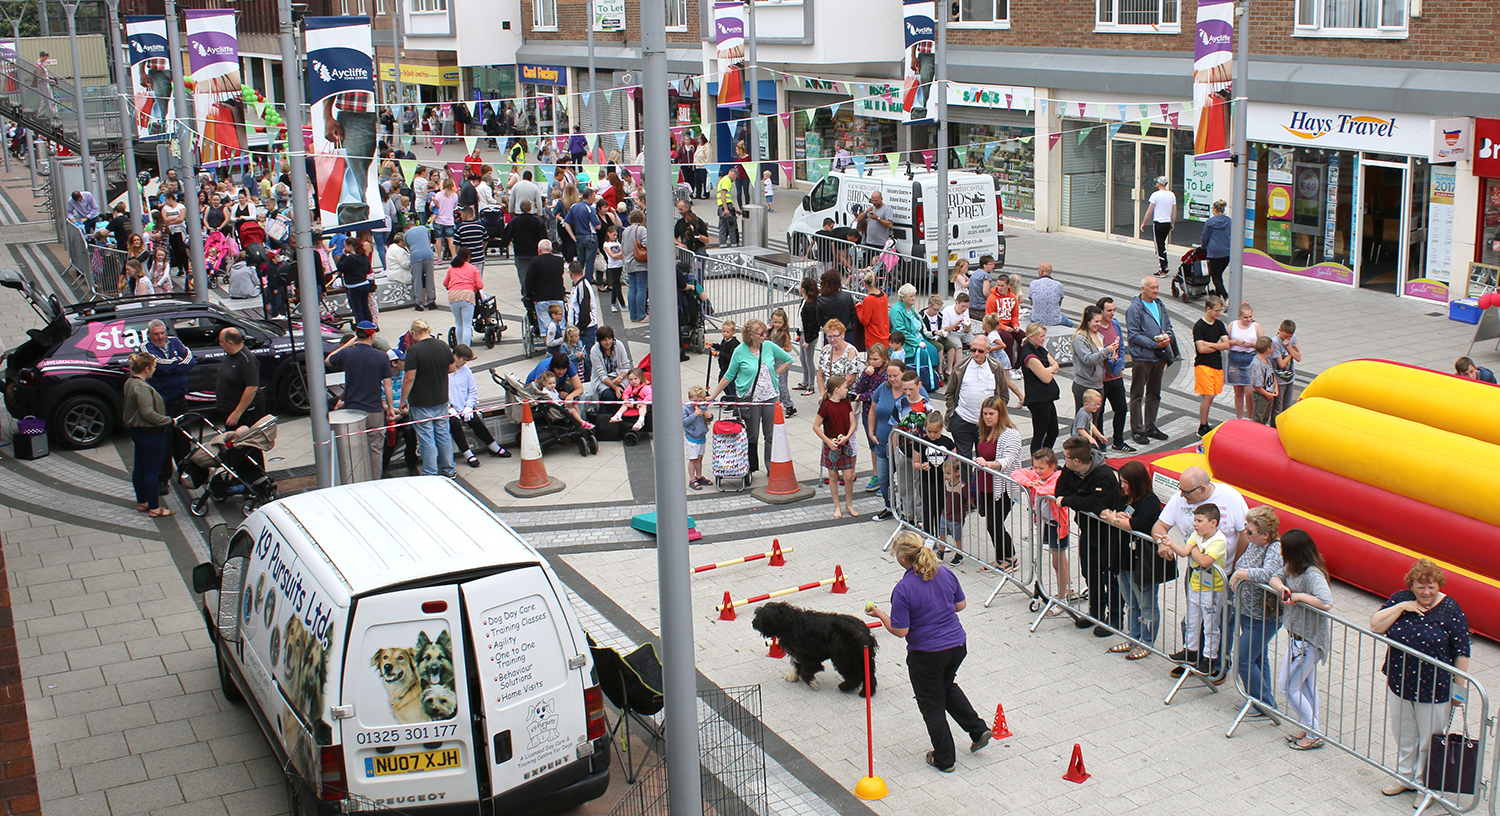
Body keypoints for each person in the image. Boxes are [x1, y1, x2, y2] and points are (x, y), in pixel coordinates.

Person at [866, 531, 991, 774]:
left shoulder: (903, 589)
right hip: (956, 646)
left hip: (926, 654)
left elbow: (901, 630)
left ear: (903, 558)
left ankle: (944, 758)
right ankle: (977, 729)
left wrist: (881, 615)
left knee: (931, 704)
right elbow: (960, 605)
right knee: (945, 686)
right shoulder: (944, 572)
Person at [1370, 558, 1472, 797]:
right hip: (1400, 681)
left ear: (1439, 586)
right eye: (1420, 586)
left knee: (1429, 739)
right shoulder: (1400, 598)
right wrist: (1401, 607)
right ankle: (1405, 776)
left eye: (1432, 587)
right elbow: (1375, 625)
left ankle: (1425, 785)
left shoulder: (1451, 609)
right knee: (1404, 733)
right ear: (1411, 585)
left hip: (1434, 687)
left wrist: (1459, 691)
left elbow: (1462, 652)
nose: (1426, 592)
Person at [1270, 530, 1333, 751]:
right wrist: (1283, 589)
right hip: (1297, 637)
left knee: (1287, 686)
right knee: (1305, 683)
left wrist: (1298, 596)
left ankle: (1313, 730)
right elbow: (1275, 577)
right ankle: (1307, 727)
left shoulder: (1312, 574)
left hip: (1309, 640)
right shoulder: (1291, 569)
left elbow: (1326, 602)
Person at [709, 319, 794, 478]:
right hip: (750, 399)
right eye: (760, 333)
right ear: (750, 335)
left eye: (765, 333)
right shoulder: (740, 351)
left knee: (770, 434)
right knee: (751, 435)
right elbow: (729, 375)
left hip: (770, 397)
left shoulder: (768, 346)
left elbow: (789, 360)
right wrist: (713, 396)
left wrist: (775, 374)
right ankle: (749, 467)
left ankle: (771, 467)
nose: (764, 336)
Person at [1100, 461, 1167, 660]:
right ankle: (1133, 637)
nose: (1122, 486)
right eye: (1121, 482)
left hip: (1142, 562)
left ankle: (1147, 642)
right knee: (1131, 602)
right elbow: (1100, 505)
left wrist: (1116, 520)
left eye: (1126, 482)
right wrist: (1114, 516)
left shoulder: (1150, 500)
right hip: (1122, 559)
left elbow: (1139, 523)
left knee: (1146, 603)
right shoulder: (1122, 496)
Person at [1057, 436, 1121, 636]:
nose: (1064, 461)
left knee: (1109, 575)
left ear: (1076, 460)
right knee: (1090, 571)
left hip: (1108, 534)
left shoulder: (1104, 475)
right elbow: (1060, 490)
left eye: (1066, 457)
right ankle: (1096, 612)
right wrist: (1076, 499)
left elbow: (1094, 503)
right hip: (1087, 530)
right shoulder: (1070, 470)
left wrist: (1070, 500)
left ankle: (1116, 617)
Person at [1227, 505, 1284, 715]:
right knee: (1258, 657)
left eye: (1250, 531)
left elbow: (1269, 574)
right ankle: (1259, 698)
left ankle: (1265, 703)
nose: (1246, 534)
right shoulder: (1255, 544)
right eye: (1245, 529)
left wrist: (1240, 574)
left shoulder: (1275, 549)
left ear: (1265, 534)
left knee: (1243, 659)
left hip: (1263, 616)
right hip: (1248, 612)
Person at [1159, 503, 1228, 676]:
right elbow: (1184, 552)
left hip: (1212, 590)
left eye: (1200, 521)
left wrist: (1195, 550)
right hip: (1195, 585)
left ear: (1213, 523)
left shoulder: (1219, 540)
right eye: (1195, 520)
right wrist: (1171, 543)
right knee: (1192, 620)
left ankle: (1209, 658)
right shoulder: (1196, 535)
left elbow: (1204, 561)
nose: (1195, 524)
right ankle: (1190, 651)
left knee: (1211, 625)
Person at [326, 321, 395, 480]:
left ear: (358, 335)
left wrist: (347, 345)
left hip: (352, 411)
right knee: (375, 448)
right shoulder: (381, 356)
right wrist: (390, 407)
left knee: (352, 448)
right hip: (374, 409)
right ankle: (375, 480)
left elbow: (329, 360)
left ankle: (354, 479)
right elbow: (388, 385)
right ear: (372, 335)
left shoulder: (348, 354)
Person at [971, 396, 1024, 570]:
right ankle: (1001, 559)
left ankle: (1011, 557)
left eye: (991, 414)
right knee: (991, 524)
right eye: (985, 413)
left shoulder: (1011, 434)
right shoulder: (986, 430)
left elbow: (1008, 459)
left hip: (1003, 488)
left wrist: (989, 464)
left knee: (995, 523)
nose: (987, 417)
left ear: (1000, 414)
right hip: (986, 484)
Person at [945, 335, 1018, 460]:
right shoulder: (961, 366)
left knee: (985, 461)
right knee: (963, 461)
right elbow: (949, 393)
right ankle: (966, 480)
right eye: (973, 350)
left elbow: (1004, 395)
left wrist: (995, 415)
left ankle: (980, 481)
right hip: (963, 420)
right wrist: (953, 412)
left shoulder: (996, 367)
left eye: (980, 351)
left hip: (986, 424)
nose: (976, 354)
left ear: (988, 350)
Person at [399, 319, 456, 478]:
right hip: (441, 398)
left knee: (426, 438)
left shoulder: (414, 351)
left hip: (421, 401)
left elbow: (409, 378)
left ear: (414, 333)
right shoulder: (442, 345)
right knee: (443, 434)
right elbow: (451, 368)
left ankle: (430, 473)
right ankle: (448, 469)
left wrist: (403, 401)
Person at [123, 353, 175, 517]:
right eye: (153, 367)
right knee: (152, 471)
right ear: (147, 368)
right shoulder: (143, 388)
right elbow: (148, 413)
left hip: (137, 432)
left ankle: (142, 502)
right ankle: (154, 507)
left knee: (139, 468)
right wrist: (169, 421)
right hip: (152, 434)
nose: (154, 370)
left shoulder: (130, 382)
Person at [1126, 276, 1175, 447]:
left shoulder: (1159, 304)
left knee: (1154, 393)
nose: (1155, 290)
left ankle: (1151, 426)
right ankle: (1137, 430)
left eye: (1157, 287)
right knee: (1137, 395)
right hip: (1143, 358)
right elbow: (1133, 334)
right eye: (1152, 288)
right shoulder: (1135, 308)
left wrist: (1168, 336)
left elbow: (1168, 325)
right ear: (1143, 289)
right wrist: (1155, 344)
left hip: (1159, 356)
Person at [447, 344, 508, 467]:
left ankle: (493, 446)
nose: (465, 362)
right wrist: (449, 407)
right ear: (455, 356)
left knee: (476, 422)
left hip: (465, 406)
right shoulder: (444, 372)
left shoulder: (467, 371)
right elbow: (440, 392)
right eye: (463, 359)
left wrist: (469, 406)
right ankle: (467, 453)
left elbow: (473, 391)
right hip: (450, 409)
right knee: (454, 425)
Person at [814, 375, 858, 519]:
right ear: (837, 390)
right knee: (833, 475)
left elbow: (853, 424)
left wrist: (847, 437)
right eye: (845, 387)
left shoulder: (846, 403)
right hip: (832, 444)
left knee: (848, 476)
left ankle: (849, 503)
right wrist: (827, 441)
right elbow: (816, 426)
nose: (847, 390)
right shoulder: (826, 406)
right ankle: (837, 505)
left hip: (844, 443)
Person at [1018, 323, 1061, 454]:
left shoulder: (1040, 350)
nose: (1043, 339)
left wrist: (1047, 370)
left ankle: (1046, 455)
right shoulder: (1029, 356)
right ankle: (1036, 459)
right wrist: (1048, 371)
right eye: (1041, 336)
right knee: (1040, 433)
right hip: (1038, 399)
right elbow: (1046, 378)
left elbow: (1056, 365)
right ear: (1032, 337)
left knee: (1053, 431)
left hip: (1047, 397)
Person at [1192, 296, 1231, 437]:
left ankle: (1205, 422)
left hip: (1217, 364)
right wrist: (1218, 346)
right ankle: (1203, 425)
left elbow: (1226, 344)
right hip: (1203, 364)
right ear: (1208, 309)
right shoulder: (1199, 326)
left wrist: (1210, 344)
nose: (1218, 313)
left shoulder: (1219, 324)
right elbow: (1201, 349)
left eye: (1220, 311)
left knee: (1213, 395)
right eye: (1217, 310)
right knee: (1207, 395)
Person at [1070, 305, 1114, 418]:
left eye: (1100, 321)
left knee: (1095, 419)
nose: (1099, 324)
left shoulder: (1099, 336)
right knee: (1083, 418)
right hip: (1084, 384)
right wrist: (1107, 350)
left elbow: (1099, 357)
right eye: (1096, 321)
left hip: (1098, 383)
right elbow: (1088, 359)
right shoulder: (1081, 338)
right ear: (1088, 321)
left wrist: (1110, 356)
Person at [213, 328, 262, 430]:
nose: (220, 344)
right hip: (227, 409)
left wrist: (237, 413)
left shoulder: (246, 360)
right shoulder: (230, 355)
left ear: (229, 343)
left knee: (242, 442)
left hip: (242, 414)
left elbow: (252, 387)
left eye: (221, 341)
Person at [889, 284, 938, 384]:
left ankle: (933, 375)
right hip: (906, 341)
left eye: (914, 295)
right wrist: (917, 342)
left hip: (919, 337)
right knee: (925, 353)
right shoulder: (896, 310)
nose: (914, 298)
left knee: (935, 350)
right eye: (911, 296)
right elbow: (901, 332)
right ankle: (923, 379)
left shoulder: (909, 307)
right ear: (903, 298)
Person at [1225, 301, 1261, 420]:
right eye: (1246, 317)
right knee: (1238, 391)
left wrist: (1253, 344)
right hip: (1235, 358)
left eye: (1251, 317)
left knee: (1249, 392)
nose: (1248, 319)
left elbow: (1264, 345)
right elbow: (1224, 343)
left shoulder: (1256, 326)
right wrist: (1234, 342)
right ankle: (1239, 417)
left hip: (1250, 358)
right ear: (1239, 316)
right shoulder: (1233, 325)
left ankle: (1250, 417)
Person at [442, 246, 484, 349]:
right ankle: (466, 349)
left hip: (453, 295)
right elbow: (480, 285)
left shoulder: (451, 268)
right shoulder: (473, 268)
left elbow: (445, 283)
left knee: (459, 323)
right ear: (468, 257)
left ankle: (459, 347)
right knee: (467, 324)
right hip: (467, 296)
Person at [566, 260, 603, 368]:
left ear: (570, 274)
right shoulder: (580, 285)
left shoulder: (582, 287)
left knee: (587, 359)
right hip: (584, 328)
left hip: (585, 329)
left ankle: (588, 380)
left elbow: (584, 310)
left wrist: (579, 328)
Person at [816, 319, 862, 404]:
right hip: (829, 396)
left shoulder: (851, 351)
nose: (832, 339)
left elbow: (849, 380)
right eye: (829, 336)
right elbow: (820, 375)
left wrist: (833, 395)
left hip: (845, 398)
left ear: (842, 335)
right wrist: (823, 394)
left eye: (835, 336)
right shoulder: (826, 350)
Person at [1140, 176, 1176, 277]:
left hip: (1158, 223)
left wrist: (1143, 222)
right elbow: (1174, 210)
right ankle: (1165, 264)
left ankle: (1162, 269)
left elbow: (1150, 210)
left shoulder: (1155, 195)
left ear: (1159, 184)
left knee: (1159, 245)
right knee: (1162, 244)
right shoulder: (1171, 195)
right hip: (1167, 223)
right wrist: (1172, 223)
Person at [563, 187, 602, 276]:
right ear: (589, 197)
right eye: (593, 196)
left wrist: (573, 236)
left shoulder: (574, 207)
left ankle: (577, 280)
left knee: (580, 261)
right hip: (590, 236)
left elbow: (566, 222)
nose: (594, 199)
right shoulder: (590, 209)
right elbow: (598, 226)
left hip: (579, 236)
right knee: (589, 262)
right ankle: (587, 283)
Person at [588, 325, 632, 404]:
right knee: (609, 396)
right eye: (604, 340)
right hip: (603, 380)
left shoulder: (619, 345)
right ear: (600, 341)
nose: (608, 342)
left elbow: (626, 366)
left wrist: (620, 377)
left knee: (622, 393)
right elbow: (601, 374)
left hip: (620, 377)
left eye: (609, 339)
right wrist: (614, 387)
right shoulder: (595, 350)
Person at [339, 236, 375, 327]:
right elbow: (367, 270)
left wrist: (343, 255)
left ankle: (361, 327)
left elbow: (340, 267)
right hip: (364, 283)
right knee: (365, 307)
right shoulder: (364, 257)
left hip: (354, 286)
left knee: (357, 309)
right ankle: (370, 325)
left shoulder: (349, 259)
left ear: (349, 246)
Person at [1271, 320, 1302, 422]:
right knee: (1278, 408)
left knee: (1287, 406)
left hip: (1290, 378)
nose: (1288, 338)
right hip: (1279, 379)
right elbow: (1282, 364)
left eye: (1290, 336)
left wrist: (1289, 347)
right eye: (1286, 336)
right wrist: (1291, 352)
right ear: (1280, 330)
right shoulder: (1275, 342)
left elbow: (1298, 358)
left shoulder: (1293, 338)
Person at [621, 209, 649, 322]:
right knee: (641, 289)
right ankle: (641, 315)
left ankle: (633, 315)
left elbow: (623, 246)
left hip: (628, 262)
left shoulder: (625, 231)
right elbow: (646, 244)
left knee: (632, 289)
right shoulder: (641, 229)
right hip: (640, 262)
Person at [1200, 200, 1232, 298]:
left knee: (1216, 277)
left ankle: (1226, 297)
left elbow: (1204, 237)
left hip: (1214, 253)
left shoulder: (1210, 222)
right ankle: (1217, 296)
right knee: (1219, 274)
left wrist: (1203, 247)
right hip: (1226, 253)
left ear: (1215, 210)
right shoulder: (1229, 221)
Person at [404, 221, 437, 311]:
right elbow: (429, 240)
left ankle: (419, 303)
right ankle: (431, 301)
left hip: (416, 256)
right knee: (430, 278)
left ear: (406, 228)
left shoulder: (406, 234)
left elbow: (409, 247)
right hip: (428, 254)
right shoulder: (424, 229)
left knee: (417, 279)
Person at [684, 386, 712, 490]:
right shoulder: (686, 408)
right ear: (690, 399)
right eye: (695, 400)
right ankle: (692, 479)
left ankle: (699, 476)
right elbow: (684, 422)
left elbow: (708, 419)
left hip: (701, 436)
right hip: (692, 438)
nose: (697, 403)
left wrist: (709, 416)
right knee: (693, 459)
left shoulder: (703, 407)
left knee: (700, 458)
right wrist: (694, 415)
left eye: (700, 401)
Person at [856, 271, 890, 351]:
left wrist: (859, 308)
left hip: (873, 338)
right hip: (884, 336)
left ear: (865, 283)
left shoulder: (868, 300)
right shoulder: (884, 294)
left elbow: (864, 321)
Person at [1028, 262, 1070, 327]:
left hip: (1036, 320)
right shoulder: (1058, 285)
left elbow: (1032, 303)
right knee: (1070, 323)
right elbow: (1059, 303)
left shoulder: (1033, 284)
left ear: (1041, 271)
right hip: (1054, 320)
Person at [1248, 337, 1278, 426]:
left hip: (1268, 394)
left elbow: (1272, 374)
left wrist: (1276, 387)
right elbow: (1256, 385)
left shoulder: (1267, 360)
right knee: (1258, 419)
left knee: (1265, 418)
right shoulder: (1257, 364)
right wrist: (1266, 394)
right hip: (1261, 396)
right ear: (1268, 350)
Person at [431, 176, 460, 260]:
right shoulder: (454, 195)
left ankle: (439, 257)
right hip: (449, 220)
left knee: (438, 240)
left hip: (439, 220)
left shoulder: (438, 195)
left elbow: (432, 206)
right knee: (450, 240)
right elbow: (455, 206)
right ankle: (454, 256)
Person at [454, 206, 490, 273]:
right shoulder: (481, 226)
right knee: (478, 279)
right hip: (479, 257)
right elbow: (486, 239)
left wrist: (458, 255)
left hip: (465, 259)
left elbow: (457, 245)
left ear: (465, 214)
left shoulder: (460, 228)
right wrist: (482, 249)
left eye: (461, 214)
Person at [716, 166, 742, 247]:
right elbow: (723, 194)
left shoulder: (723, 179)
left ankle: (722, 244)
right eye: (735, 178)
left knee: (723, 227)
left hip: (722, 206)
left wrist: (735, 209)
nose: (734, 181)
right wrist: (726, 208)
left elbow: (728, 199)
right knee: (732, 227)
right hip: (726, 207)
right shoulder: (727, 180)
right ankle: (734, 244)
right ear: (733, 174)